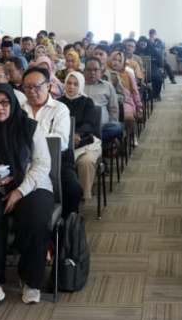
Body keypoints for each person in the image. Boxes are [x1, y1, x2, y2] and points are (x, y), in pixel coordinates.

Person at [0, 84, 54, 305]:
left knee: (37, 219)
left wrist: (19, 192)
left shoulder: (30, 127)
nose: (0, 108)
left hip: (32, 186)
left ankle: (31, 280)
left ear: (13, 104)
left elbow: (42, 165)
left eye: (5, 103)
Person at [21, 67, 82, 215]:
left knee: (73, 188)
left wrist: (32, 137)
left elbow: (60, 141)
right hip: (24, 160)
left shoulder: (60, 109)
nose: (32, 91)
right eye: (27, 87)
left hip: (57, 160)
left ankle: (66, 222)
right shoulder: (19, 109)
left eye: (37, 86)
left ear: (48, 86)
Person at [59, 71, 102, 202]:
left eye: (75, 84)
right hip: (64, 143)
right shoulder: (58, 102)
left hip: (85, 142)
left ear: (81, 85)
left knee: (86, 162)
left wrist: (77, 134)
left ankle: (83, 196)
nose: (71, 87)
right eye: (69, 83)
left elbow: (89, 124)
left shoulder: (87, 102)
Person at [83, 59, 123, 142]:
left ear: (100, 71)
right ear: (84, 71)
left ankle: (90, 139)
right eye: (89, 70)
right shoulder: (79, 85)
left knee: (117, 127)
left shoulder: (107, 86)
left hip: (103, 127)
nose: (92, 73)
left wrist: (112, 122)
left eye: (95, 70)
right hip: (83, 126)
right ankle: (92, 138)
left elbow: (113, 108)